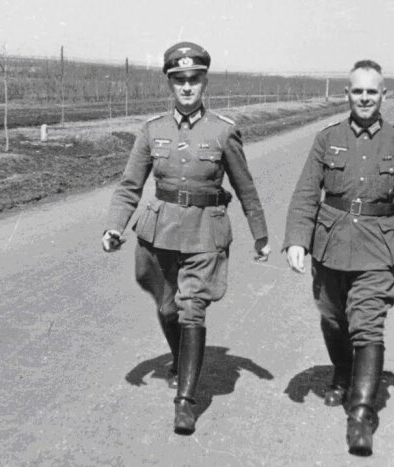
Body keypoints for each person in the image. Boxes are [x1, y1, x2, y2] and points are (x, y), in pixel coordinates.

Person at [102, 41, 271, 435]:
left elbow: (245, 188)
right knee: (167, 308)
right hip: (159, 231)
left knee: (191, 307)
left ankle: (185, 402)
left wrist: (260, 235)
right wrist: (114, 226)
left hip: (205, 231)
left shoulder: (224, 131)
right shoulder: (152, 130)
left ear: (205, 82)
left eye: (194, 79)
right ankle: (180, 360)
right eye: (180, 80)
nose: (187, 87)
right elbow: (130, 185)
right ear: (170, 84)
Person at [282, 59, 394, 456]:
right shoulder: (327, 138)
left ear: (383, 95)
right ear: (347, 94)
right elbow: (306, 193)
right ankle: (342, 373)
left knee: (367, 326)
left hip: (376, 249)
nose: (364, 98)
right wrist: (297, 240)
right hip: (330, 246)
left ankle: (362, 414)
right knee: (334, 319)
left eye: (371, 91)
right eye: (358, 91)